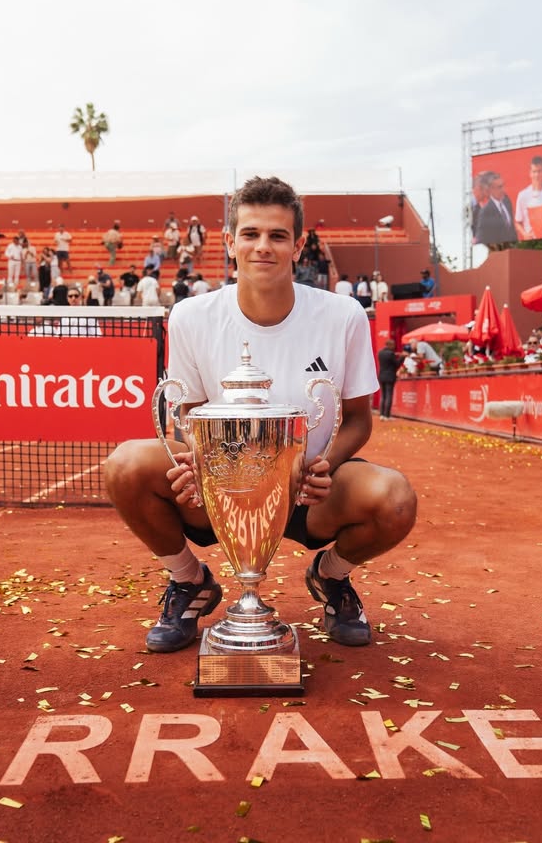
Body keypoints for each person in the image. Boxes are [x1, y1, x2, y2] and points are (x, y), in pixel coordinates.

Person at [104, 176, 417, 652]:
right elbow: (188, 414)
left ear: (299, 245)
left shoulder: (345, 315)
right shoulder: (190, 316)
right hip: (225, 487)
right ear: (230, 242)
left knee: (394, 498)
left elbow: (358, 418)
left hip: (310, 489)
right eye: (250, 234)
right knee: (125, 464)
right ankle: (190, 582)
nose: (263, 246)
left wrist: (323, 466)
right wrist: (196, 462)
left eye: (277, 235)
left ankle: (331, 576)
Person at [475, 171, 517, 247]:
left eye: (503, 186)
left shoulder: (507, 201)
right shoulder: (485, 212)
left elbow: (511, 228)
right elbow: (481, 238)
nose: (503, 190)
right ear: (490, 190)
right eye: (499, 187)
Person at [376, 340, 403, 420]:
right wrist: (402, 357)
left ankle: (381, 414)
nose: (394, 347)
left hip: (381, 376)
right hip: (390, 377)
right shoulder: (391, 354)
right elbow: (397, 364)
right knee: (389, 395)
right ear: (390, 345)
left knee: (383, 396)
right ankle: (387, 415)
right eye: (393, 345)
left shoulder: (380, 353)